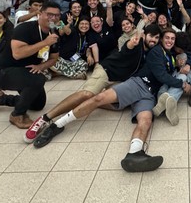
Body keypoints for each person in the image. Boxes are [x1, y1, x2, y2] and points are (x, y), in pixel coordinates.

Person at [34, 28, 185, 174]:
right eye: (166, 38)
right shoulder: (156, 51)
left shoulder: (170, 56)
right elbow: (156, 71)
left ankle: (134, 154)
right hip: (138, 84)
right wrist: (183, 85)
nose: (170, 41)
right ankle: (57, 125)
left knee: (146, 121)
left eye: (172, 39)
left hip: (149, 95)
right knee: (98, 98)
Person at [23, 24, 162, 144]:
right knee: (87, 94)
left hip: (121, 80)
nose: (154, 40)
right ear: (144, 35)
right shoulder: (137, 44)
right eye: (151, 36)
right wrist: (132, 42)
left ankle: (89, 101)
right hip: (107, 71)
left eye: (157, 38)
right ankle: (45, 118)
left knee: (119, 104)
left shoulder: (153, 53)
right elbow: (128, 47)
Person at [0, 2, 61, 128]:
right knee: (38, 79)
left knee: (37, 104)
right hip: (6, 71)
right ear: (40, 13)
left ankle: (1, 99)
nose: (53, 18)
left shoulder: (53, 34)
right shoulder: (24, 28)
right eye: (49, 14)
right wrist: (45, 43)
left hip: (27, 71)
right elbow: (18, 54)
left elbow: (54, 58)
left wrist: (41, 67)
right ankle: (17, 115)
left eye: (57, 15)